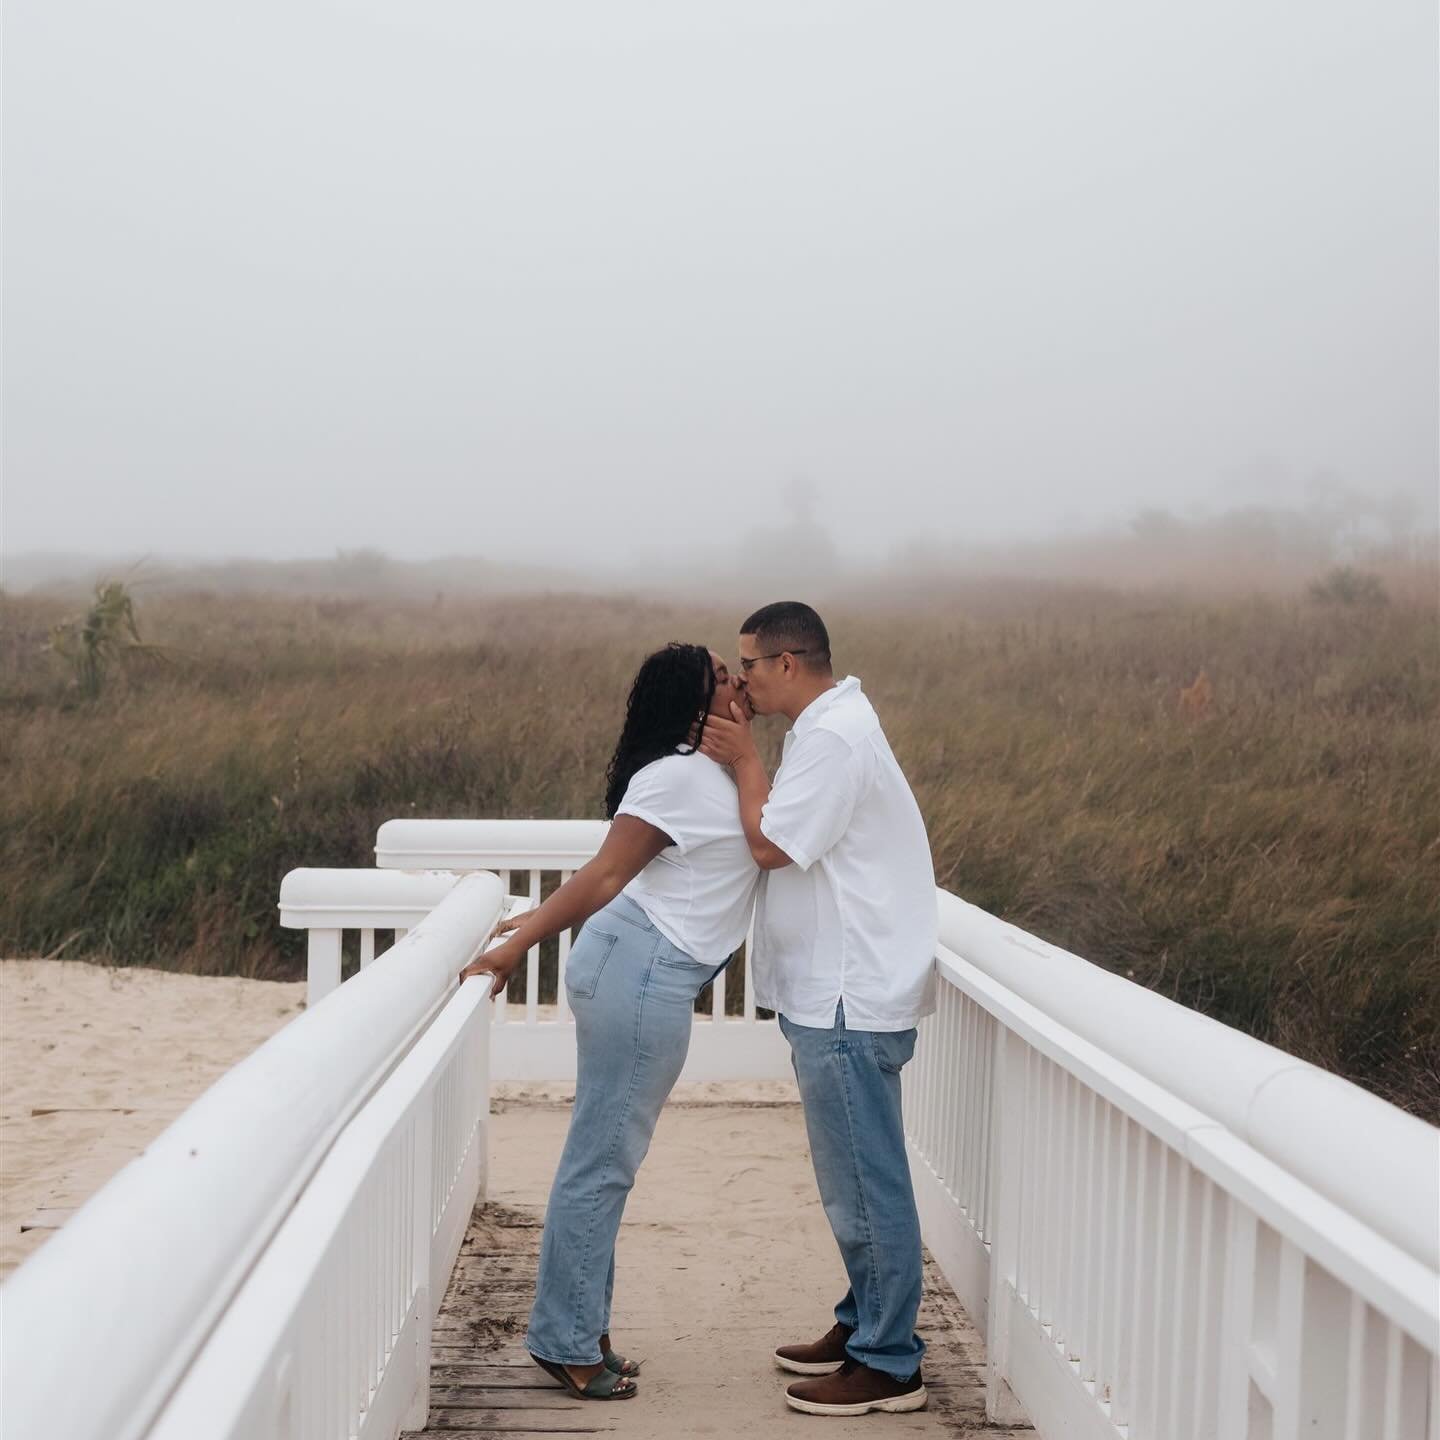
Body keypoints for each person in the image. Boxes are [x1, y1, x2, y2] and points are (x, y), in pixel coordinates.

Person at [459, 643, 759, 1402]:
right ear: (694, 706)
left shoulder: (712, 771)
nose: (739, 681)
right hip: (640, 972)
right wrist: (515, 947)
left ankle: (583, 1330)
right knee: (601, 1162)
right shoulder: (678, 776)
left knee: (605, 1159)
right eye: (723, 677)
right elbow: (606, 872)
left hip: (645, 967)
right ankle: (566, 1343)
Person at [699, 601, 937, 1418]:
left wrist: (742, 758)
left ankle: (889, 1363)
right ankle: (865, 1321)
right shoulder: (827, 728)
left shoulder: (834, 738)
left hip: (848, 993)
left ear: (787, 663)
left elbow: (771, 844)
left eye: (747, 665)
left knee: (865, 1183)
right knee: (855, 1180)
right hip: (840, 989)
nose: (741, 681)